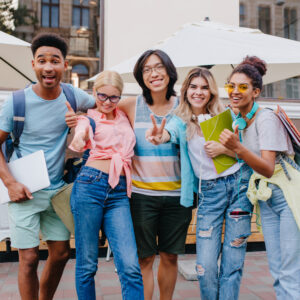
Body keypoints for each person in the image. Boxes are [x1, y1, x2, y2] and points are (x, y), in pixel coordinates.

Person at [0, 33, 95, 300]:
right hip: (24, 191)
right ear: (34, 65)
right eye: (42, 60)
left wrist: (82, 119)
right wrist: (10, 183)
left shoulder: (72, 95)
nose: (48, 67)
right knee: (28, 258)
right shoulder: (17, 102)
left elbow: (107, 106)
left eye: (55, 60)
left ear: (65, 65)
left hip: (57, 191)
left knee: (62, 253)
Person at [146, 67, 253, 300]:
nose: (199, 92)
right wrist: (159, 137)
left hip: (238, 187)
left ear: (212, 92)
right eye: (194, 87)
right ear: (186, 91)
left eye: (204, 87)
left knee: (232, 263)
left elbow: (248, 152)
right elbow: (170, 133)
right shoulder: (180, 120)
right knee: (205, 267)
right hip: (209, 193)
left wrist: (226, 149)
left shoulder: (228, 115)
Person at [219, 56, 300, 299]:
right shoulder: (240, 122)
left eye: (242, 87)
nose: (235, 91)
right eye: (231, 85)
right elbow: (248, 160)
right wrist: (226, 149)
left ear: (255, 92)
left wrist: (237, 148)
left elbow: (266, 166)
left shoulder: (266, 118)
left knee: (289, 270)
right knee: (276, 268)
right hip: (267, 198)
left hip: (287, 195)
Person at [116, 50, 193, 300]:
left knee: (170, 256)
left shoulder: (185, 106)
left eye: (158, 67)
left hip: (177, 196)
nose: (154, 73)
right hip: (141, 196)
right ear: (141, 77)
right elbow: (99, 108)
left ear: (169, 71)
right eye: (147, 69)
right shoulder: (130, 105)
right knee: (144, 258)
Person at [69, 70, 144, 300]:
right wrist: (79, 137)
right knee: (87, 264)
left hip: (119, 192)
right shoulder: (88, 117)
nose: (107, 102)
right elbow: (81, 132)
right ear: (94, 93)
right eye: (102, 96)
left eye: (114, 97)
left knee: (130, 265)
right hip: (90, 186)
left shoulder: (124, 115)